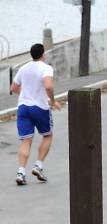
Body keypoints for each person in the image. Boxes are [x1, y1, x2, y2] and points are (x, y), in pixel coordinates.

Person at [10, 43, 61, 186]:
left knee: (26, 140)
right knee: (47, 135)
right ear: (43, 54)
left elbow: (13, 88)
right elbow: (49, 86)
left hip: (23, 107)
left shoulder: (24, 68)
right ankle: (38, 166)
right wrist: (52, 100)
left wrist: (27, 94)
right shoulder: (46, 68)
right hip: (39, 107)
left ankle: (21, 172)